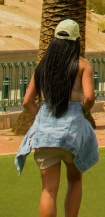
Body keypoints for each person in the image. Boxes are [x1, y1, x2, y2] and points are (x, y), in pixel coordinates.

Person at [15, 19, 99, 217]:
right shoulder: (82, 65)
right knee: (75, 180)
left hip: (44, 136)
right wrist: (83, 112)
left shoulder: (43, 67)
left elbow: (27, 101)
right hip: (72, 134)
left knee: (48, 190)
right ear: (77, 40)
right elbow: (89, 97)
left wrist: (42, 119)